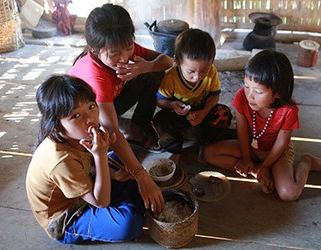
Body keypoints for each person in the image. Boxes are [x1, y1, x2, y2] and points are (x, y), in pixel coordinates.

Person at [26, 75, 157, 244]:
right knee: (129, 223)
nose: (90, 119)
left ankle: (132, 199)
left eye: (91, 106)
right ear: (56, 125)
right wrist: (101, 154)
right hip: (68, 216)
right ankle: (133, 203)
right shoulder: (61, 161)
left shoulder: (76, 135)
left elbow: (86, 165)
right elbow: (101, 202)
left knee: (127, 154)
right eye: (76, 116)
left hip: (83, 186)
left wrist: (113, 174)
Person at [203, 49, 321, 201]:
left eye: (258, 91)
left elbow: (282, 142)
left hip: (277, 153)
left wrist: (267, 165)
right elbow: (242, 128)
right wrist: (246, 158)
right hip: (251, 147)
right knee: (210, 153)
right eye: (247, 86)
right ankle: (255, 170)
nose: (250, 95)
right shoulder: (242, 96)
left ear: (278, 93)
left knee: (289, 193)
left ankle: (307, 162)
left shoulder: (288, 111)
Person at [70, 3, 173, 152]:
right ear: (94, 50)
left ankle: (138, 125)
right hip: (90, 116)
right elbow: (111, 130)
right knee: (103, 144)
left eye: (129, 48)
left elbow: (167, 60)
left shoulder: (121, 46)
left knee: (153, 72)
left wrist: (146, 66)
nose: (124, 58)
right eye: (114, 54)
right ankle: (123, 131)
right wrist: (138, 172)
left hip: (111, 102)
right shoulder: (95, 76)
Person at [152, 28, 234, 155]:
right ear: (177, 61)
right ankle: (177, 146)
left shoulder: (212, 71)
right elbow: (160, 101)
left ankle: (205, 142)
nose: (197, 77)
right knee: (159, 120)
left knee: (223, 113)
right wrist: (172, 105)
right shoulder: (171, 77)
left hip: (203, 112)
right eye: (191, 71)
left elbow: (214, 96)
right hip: (178, 114)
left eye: (203, 71)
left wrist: (204, 112)